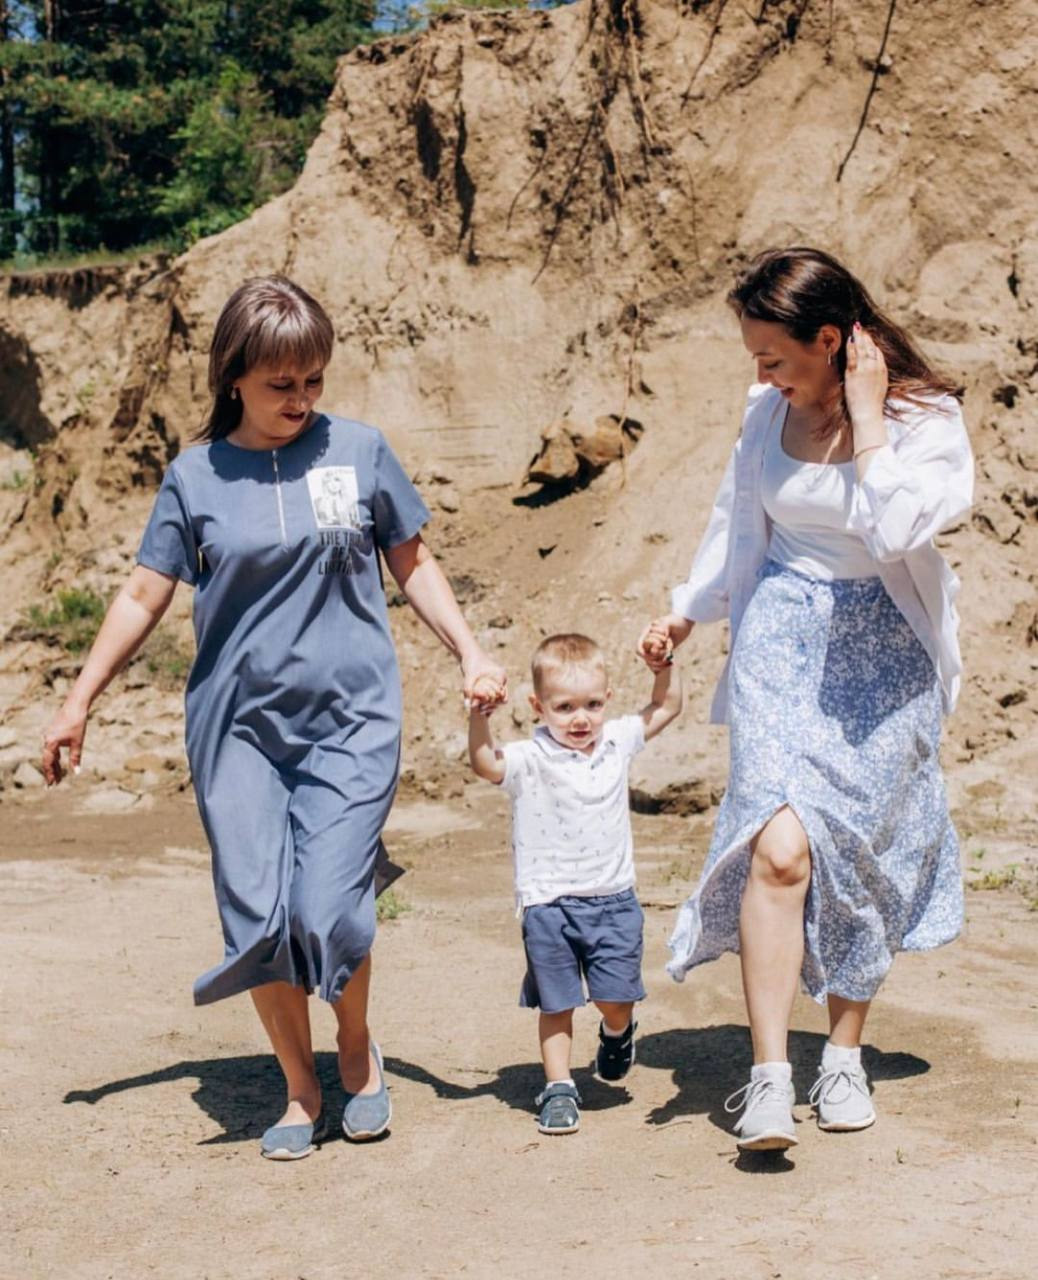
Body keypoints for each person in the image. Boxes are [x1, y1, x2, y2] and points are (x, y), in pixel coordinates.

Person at [40, 275, 506, 1160]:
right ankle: (300, 1089)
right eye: (280, 384)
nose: (301, 400)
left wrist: (471, 652)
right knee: (256, 916)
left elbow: (412, 560)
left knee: (332, 906)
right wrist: (78, 701)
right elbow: (146, 592)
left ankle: (358, 1052)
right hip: (238, 728)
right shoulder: (195, 474)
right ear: (235, 380)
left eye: (314, 381)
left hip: (351, 715)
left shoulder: (359, 450)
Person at [639, 247, 973, 1152]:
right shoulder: (764, 413)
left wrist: (867, 417)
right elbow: (735, 520)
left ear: (831, 340)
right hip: (782, 640)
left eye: (775, 358)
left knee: (862, 853)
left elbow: (898, 527)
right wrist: (686, 614)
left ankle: (844, 1053)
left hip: (885, 653)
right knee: (777, 849)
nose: (761, 374)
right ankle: (771, 1077)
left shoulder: (925, 419)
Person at [468, 633, 682, 1134]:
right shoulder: (529, 757)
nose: (579, 719)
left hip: (613, 901)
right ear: (537, 706)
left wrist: (663, 662)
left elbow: (667, 704)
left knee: (615, 998)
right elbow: (484, 763)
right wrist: (479, 715)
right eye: (564, 707)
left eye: (590, 705)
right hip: (548, 903)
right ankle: (559, 1086)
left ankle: (617, 1030)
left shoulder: (616, 742)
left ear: (607, 700)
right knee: (556, 1003)